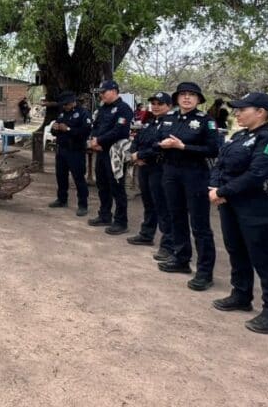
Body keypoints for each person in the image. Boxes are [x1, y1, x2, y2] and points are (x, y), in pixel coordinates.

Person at [208, 93, 268, 334]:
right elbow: (220, 164)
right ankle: (241, 294)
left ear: (261, 112)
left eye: (243, 109)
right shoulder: (240, 136)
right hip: (230, 203)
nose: (237, 113)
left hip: (255, 206)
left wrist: (222, 191)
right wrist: (215, 187)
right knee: (236, 250)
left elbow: (256, 174)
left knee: (262, 257)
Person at [157, 81, 222, 291]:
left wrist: (183, 146)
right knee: (176, 216)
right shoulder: (168, 118)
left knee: (199, 224)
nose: (187, 98)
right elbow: (156, 140)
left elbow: (213, 149)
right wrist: (161, 145)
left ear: (198, 99)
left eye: (191, 95)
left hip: (195, 173)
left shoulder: (206, 121)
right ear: (176, 98)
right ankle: (181, 258)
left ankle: (205, 272)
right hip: (170, 171)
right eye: (183, 94)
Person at [128, 92, 174, 255]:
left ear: (169, 106)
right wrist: (134, 155)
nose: (155, 106)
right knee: (148, 203)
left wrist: (140, 155)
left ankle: (168, 244)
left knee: (162, 206)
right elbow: (137, 141)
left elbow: (160, 146)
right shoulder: (149, 123)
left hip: (159, 168)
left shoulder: (171, 124)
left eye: (160, 104)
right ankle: (146, 234)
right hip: (144, 168)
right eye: (153, 103)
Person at [87, 80, 134, 235]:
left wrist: (99, 141)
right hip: (100, 151)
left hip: (115, 152)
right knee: (102, 185)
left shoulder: (123, 109)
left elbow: (119, 131)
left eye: (104, 92)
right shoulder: (102, 108)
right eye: (100, 92)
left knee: (117, 187)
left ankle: (121, 221)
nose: (101, 95)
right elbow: (96, 126)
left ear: (114, 91)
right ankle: (105, 215)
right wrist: (94, 140)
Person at [47, 92, 91, 216]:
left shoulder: (83, 113)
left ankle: (83, 205)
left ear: (73, 102)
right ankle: (62, 199)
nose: (64, 107)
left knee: (78, 178)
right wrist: (54, 128)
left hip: (75, 151)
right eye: (63, 105)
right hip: (62, 149)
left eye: (66, 104)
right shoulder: (62, 113)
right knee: (61, 176)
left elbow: (85, 132)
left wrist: (68, 129)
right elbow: (54, 132)